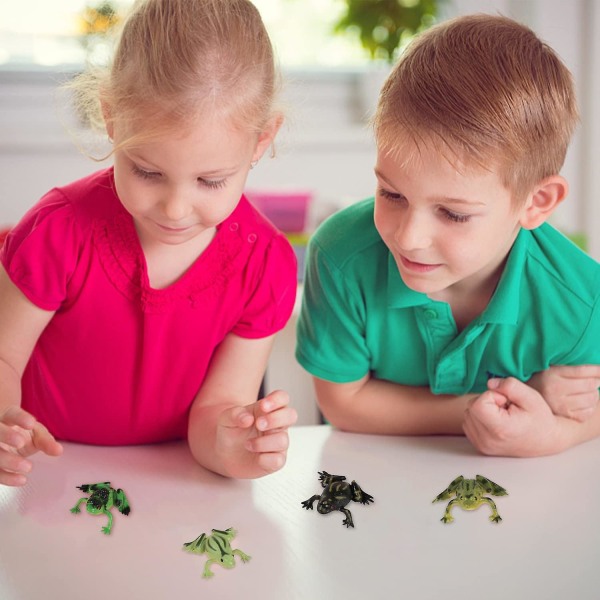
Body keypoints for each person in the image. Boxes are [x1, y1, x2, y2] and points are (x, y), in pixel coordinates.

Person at [0, 0, 298, 487]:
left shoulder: (264, 266)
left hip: (173, 486)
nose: (175, 209)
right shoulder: (57, 231)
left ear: (261, 141)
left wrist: (229, 445)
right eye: (147, 172)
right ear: (112, 120)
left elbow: (216, 410)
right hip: (48, 472)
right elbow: (4, 357)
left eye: (211, 180)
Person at [296, 14, 600, 457]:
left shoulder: (581, 299)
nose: (409, 237)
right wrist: (494, 403)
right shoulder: (341, 255)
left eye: (453, 214)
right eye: (391, 193)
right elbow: (343, 403)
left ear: (536, 203)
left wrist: (552, 434)